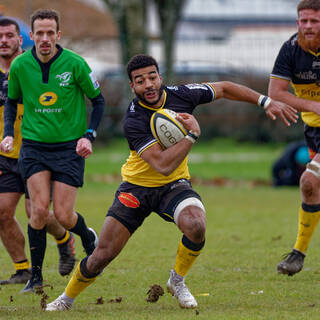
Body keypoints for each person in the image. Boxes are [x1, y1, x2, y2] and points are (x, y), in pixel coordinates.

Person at [45, 54, 297, 311]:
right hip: (136, 188)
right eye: (140, 81)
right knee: (102, 255)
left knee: (196, 225)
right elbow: (163, 165)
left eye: (152, 77)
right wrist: (191, 135)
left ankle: (177, 281)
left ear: (160, 77)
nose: (149, 85)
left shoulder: (182, 94)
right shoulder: (134, 119)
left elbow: (224, 88)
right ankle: (66, 298)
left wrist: (264, 101)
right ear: (132, 87)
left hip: (174, 186)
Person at [0, 9, 104, 292]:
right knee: (37, 212)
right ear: (31, 36)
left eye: (50, 33)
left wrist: (89, 136)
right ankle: (35, 277)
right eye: (39, 33)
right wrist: (9, 134)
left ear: (58, 35)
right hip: (33, 148)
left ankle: (84, 234)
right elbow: (11, 103)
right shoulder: (20, 65)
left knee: (63, 216)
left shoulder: (75, 63)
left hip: (69, 149)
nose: (45, 39)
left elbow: (99, 101)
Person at [0, 17, 76, 285]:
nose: (4, 41)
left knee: (39, 212)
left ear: (22, 39)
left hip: (37, 151)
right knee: (2, 211)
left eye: (10, 36)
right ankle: (22, 269)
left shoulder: (32, 66)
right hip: (6, 156)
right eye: (0, 36)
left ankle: (64, 238)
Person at [268, 0, 320, 276]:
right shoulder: (291, 49)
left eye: (314, 21)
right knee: (311, 188)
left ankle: (297, 254)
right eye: (303, 21)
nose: (308, 26)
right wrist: (312, 106)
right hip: (313, 131)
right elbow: (275, 92)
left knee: (309, 180)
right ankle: (299, 252)